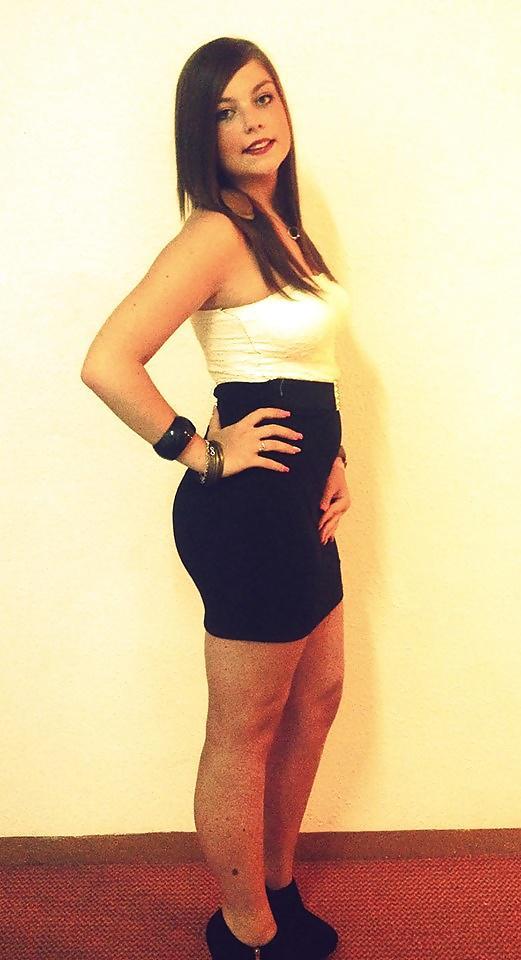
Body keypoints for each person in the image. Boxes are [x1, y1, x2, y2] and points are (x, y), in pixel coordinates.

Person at [81, 36, 351, 960]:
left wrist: (335, 455)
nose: (251, 122)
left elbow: (304, 366)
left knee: (317, 697)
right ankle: (244, 928)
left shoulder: (280, 224)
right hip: (247, 515)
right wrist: (197, 451)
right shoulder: (214, 233)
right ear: (201, 135)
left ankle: (275, 882)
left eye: (262, 98)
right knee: (245, 728)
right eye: (225, 111)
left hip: (300, 503)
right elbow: (107, 361)